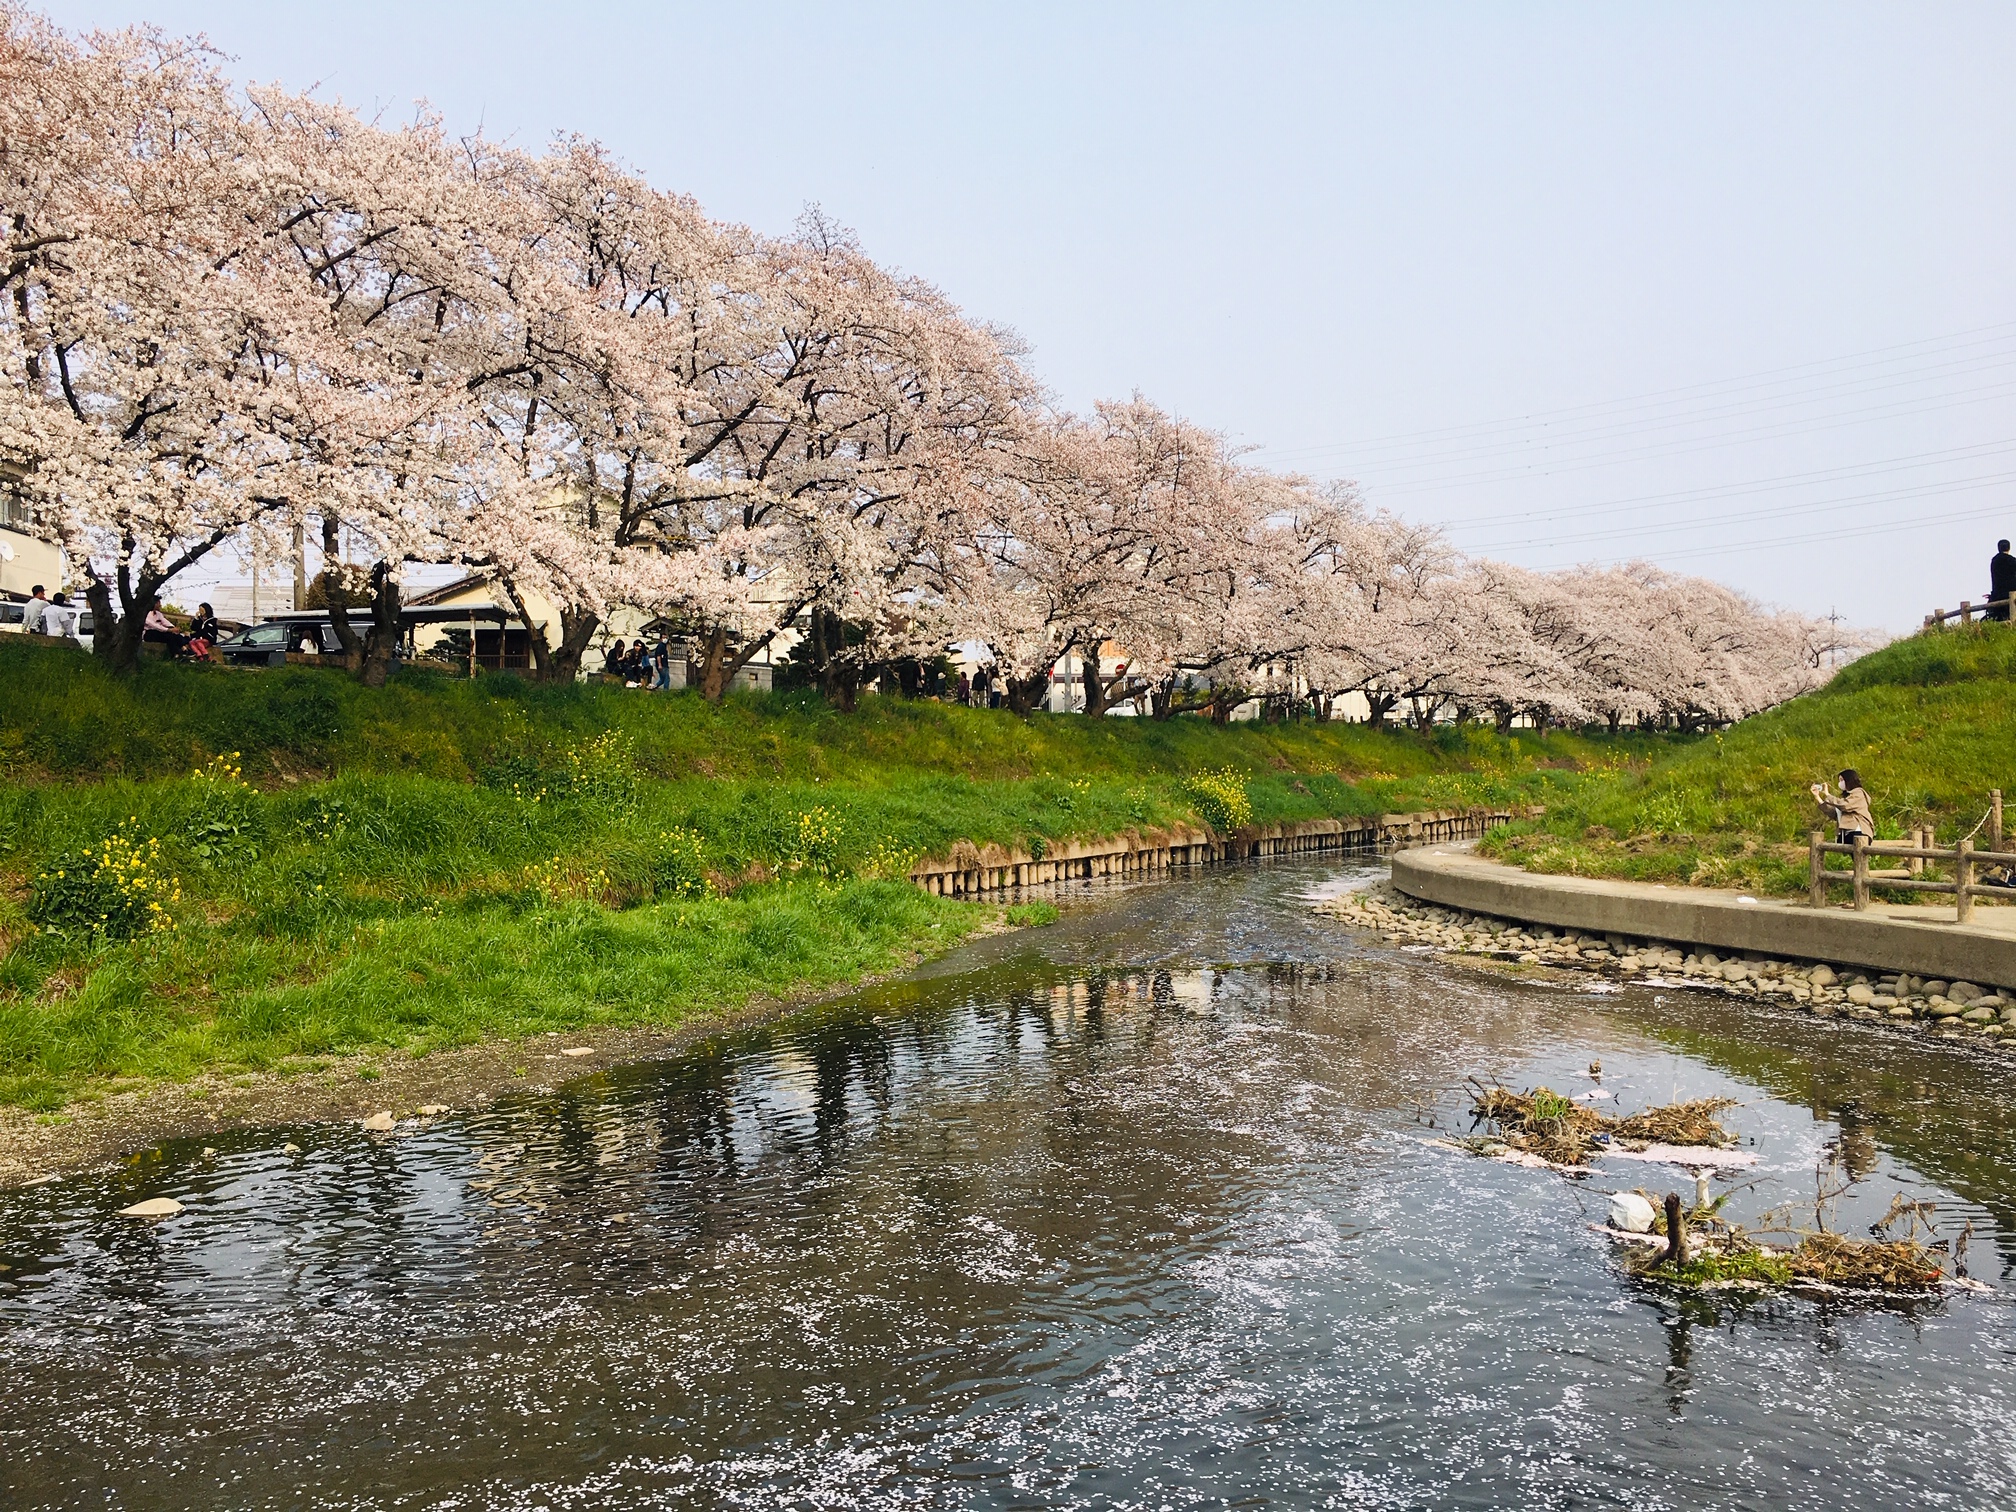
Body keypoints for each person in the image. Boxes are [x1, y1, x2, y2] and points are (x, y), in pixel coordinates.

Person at [1811, 769, 1874, 846]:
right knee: (1855, 857)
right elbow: (1834, 813)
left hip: (1859, 832)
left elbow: (1844, 805)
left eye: (1841, 780)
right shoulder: (1847, 797)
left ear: (1849, 780)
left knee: (1859, 856)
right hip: (1846, 834)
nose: (1840, 783)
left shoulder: (1859, 793)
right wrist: (1818, 797)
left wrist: (1828, 794)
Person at [1990, 538, 2016, 623]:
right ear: (2009, 548)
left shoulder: (1994, 561)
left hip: (1997, 594)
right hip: (2011, 593)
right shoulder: (2012, 561)